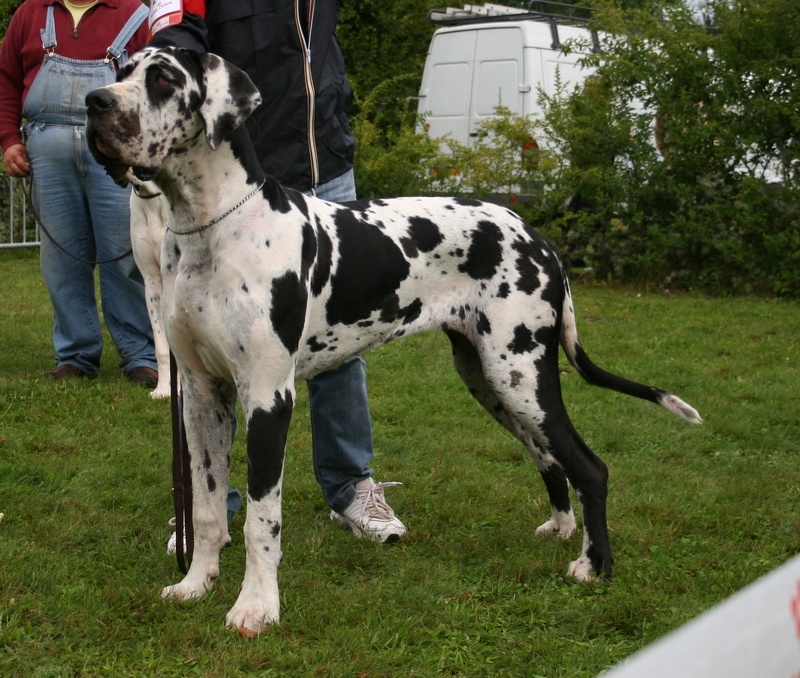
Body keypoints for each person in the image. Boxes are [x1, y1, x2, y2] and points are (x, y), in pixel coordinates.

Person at [150, 0, 407, 546]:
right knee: (206, 354)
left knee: (339, 341)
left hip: (328, 166)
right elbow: (175, 39)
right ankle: (211, 507)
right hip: (241, 180)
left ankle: (351, 485)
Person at [0, 0, 158, 387]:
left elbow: (156, 88)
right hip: (47, 154)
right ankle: (75, 355)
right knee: (61, 260)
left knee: (124, 255)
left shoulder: (135, 16)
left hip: (116, 156)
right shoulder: (30, 13)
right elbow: (5, 79)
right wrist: (8, 140)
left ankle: (141, 355)